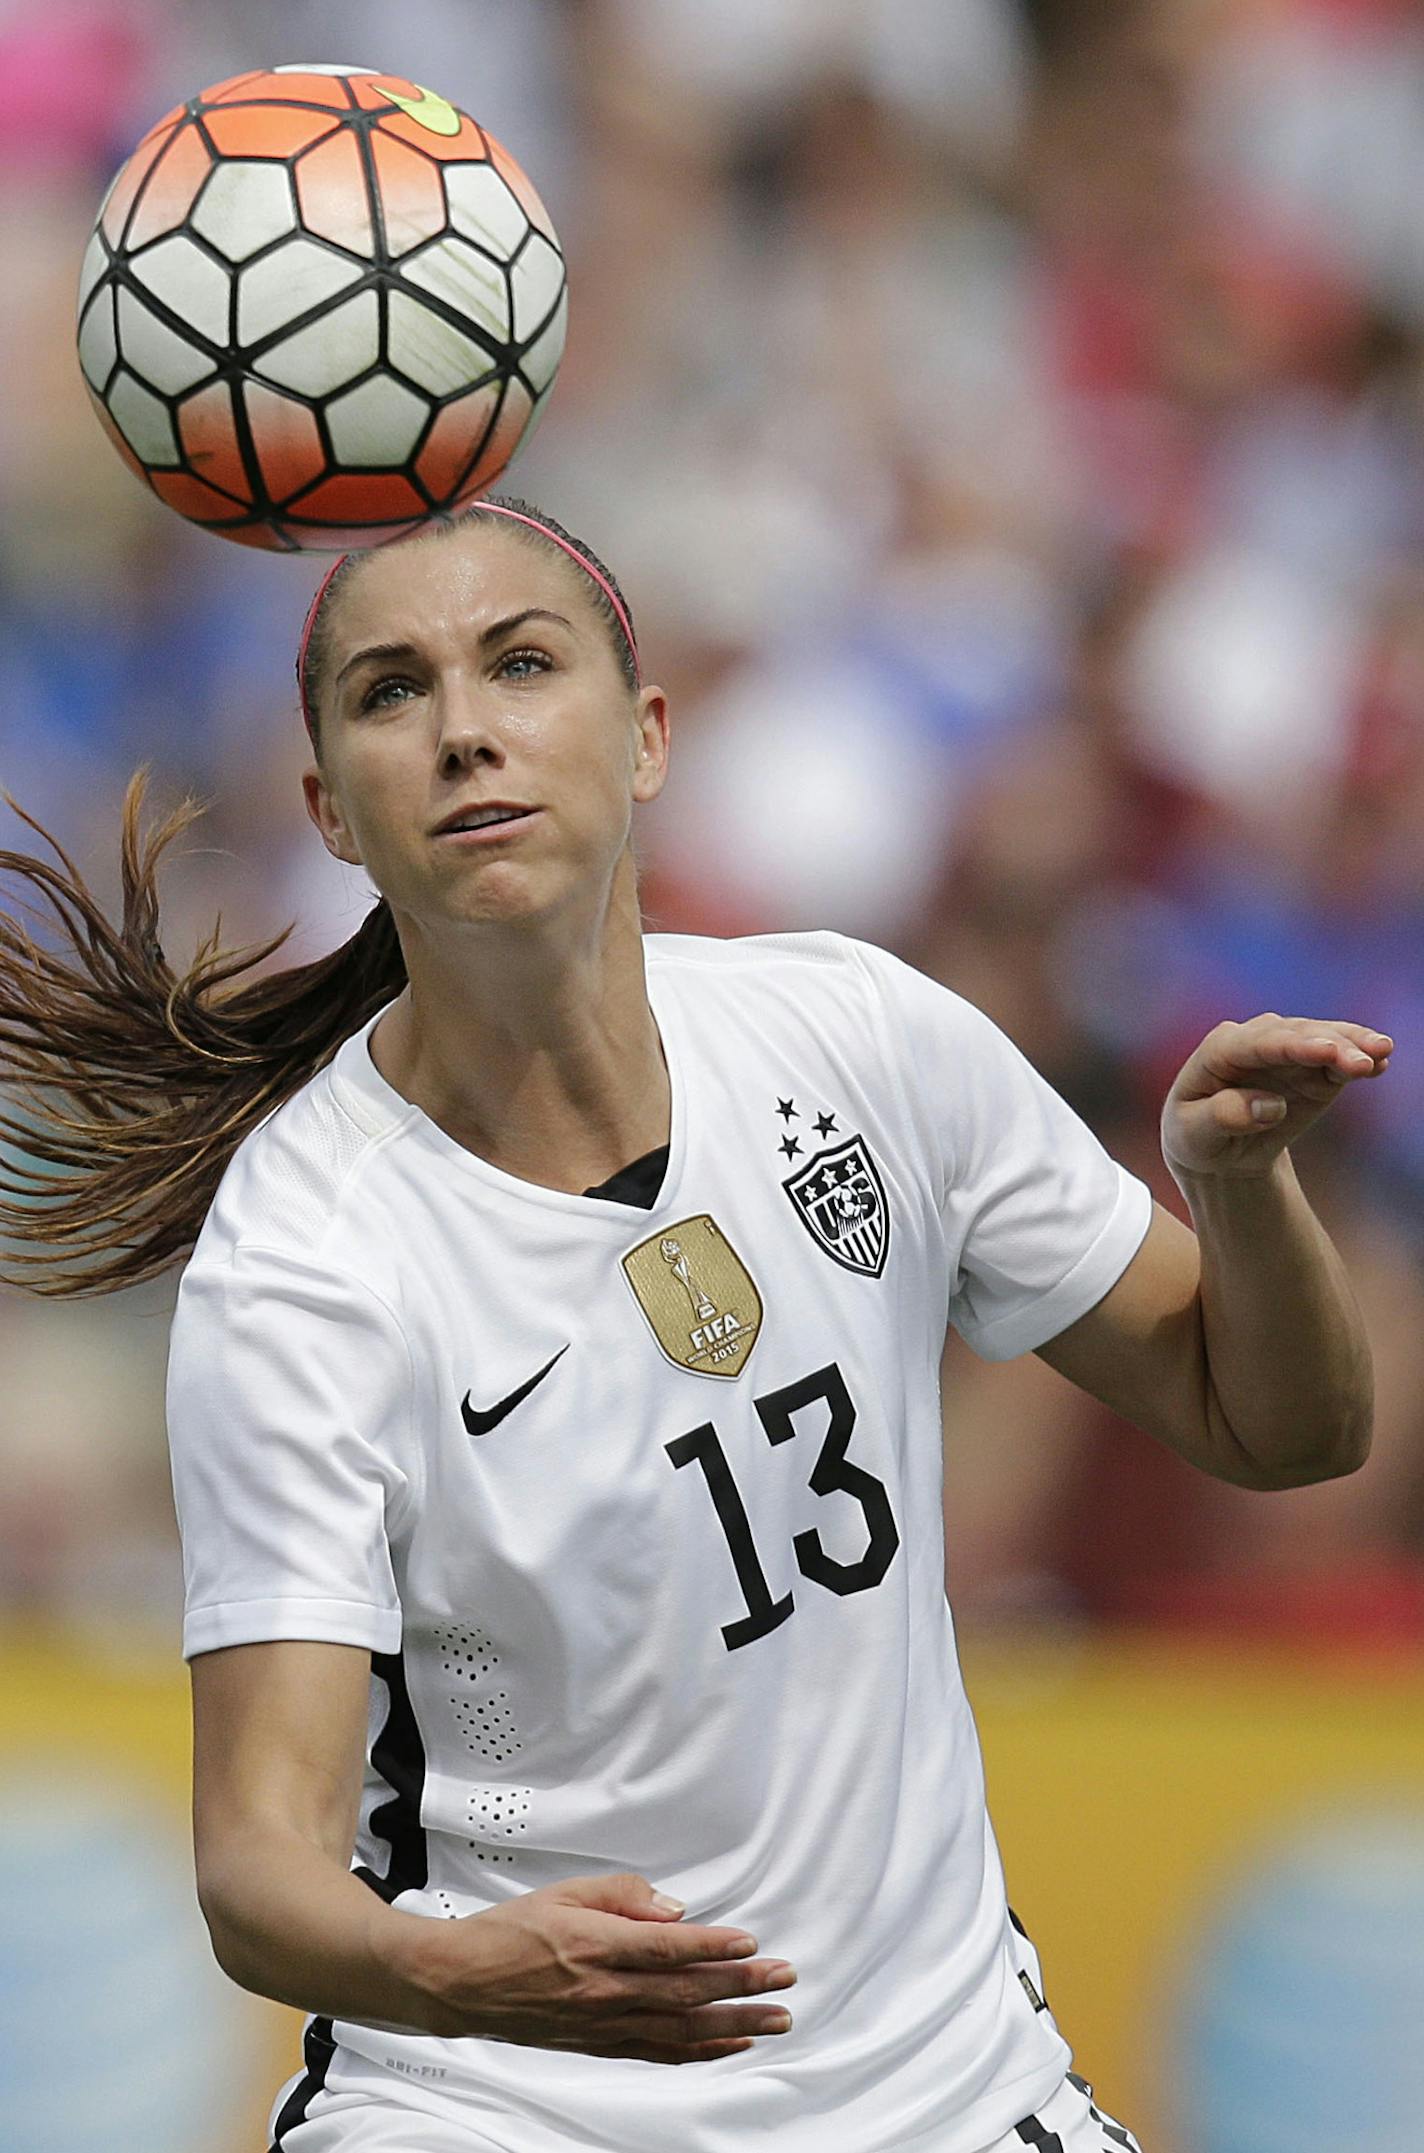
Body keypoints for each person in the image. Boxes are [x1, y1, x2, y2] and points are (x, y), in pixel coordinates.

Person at [0, 497, 1389, 2153]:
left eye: (521, 664)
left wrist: (1238, 1192)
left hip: (947, 2094)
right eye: (390, 692)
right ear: (334, 814)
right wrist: (463, 1973)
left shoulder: (859, 1037)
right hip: (500, 2107)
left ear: (648, 737)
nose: (462, 732)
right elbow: (259, 1866)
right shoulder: (306, 1262)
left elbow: (1290, 1428)